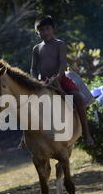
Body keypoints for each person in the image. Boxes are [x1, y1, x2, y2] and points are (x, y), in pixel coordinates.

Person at [18, 15, 94, 149]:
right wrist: (36, 82)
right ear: (37, 32)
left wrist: (56, 79)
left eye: (47, 29)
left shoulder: (60, 44)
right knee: (27, 104)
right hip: (42, 82)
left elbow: (63, 64)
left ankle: (86, 133)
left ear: (53, 29)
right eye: (41, 30)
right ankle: (25, 137)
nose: (45, 32)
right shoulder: (36, 49)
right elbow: (33, 68)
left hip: (60, 79)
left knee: (78, 98)